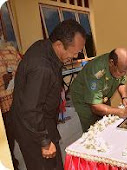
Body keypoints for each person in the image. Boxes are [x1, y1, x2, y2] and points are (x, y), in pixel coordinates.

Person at [11, 20, 86, 170]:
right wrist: (44, 141)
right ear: (59, 45)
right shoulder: (42, 68)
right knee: (48, 166)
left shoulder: (45, 47)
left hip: (41, 122)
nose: (77, 55)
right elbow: (31, 110)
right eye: (74, 51)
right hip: (33, 130)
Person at [71, 48, 127, 132]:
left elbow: (122, 82)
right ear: (111, 63)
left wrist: (124, 97)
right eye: (121, 72)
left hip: (102, 94)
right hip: (83, 98)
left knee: (107, 121)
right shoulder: (96, 72)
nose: (124, 74)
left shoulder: (120, 65)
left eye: (126, 72)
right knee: (93, 128)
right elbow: (95, 107)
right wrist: (122, 112)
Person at [0, 41, 21, 170]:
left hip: (17, 103)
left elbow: (23, 69)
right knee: (7, 141)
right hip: (2, 109)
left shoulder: (11, 51)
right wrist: (2, 81)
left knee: (25, 137)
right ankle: (12, 162)